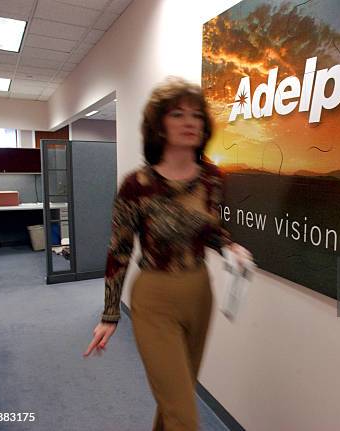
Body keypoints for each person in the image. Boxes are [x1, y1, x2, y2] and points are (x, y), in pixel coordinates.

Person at [83, 76, 254, 431]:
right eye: (178, 114)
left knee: (176, 397)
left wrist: (229, 246)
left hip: (198, 292)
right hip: (154, 297)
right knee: (183, 414)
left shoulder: (211, 179)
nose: (190, 121)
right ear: (159, 124)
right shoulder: (137, 185)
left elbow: (211, 230)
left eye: (196, 115)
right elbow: (120, 250)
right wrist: (110, 314)